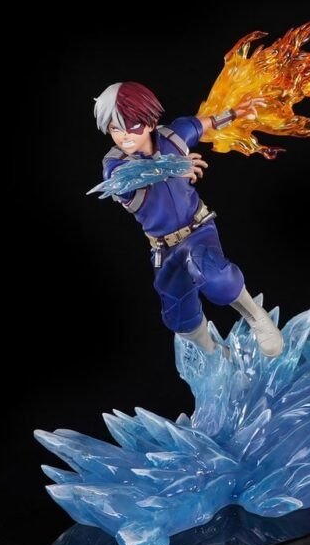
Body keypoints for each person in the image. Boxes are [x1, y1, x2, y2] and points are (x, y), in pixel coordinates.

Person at [93, 81, 284, 358]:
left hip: (198, 230)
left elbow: (205, 123)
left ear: (150, 122)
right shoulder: (115, 164)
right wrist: (171, 166)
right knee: (178, 313)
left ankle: (256, 316)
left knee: (212, 273)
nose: (124, 136)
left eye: (132, 126)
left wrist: (235, 112)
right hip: (162, 247)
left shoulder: (173, 137)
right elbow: (128, 178)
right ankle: (213, 354)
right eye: (115, 129)